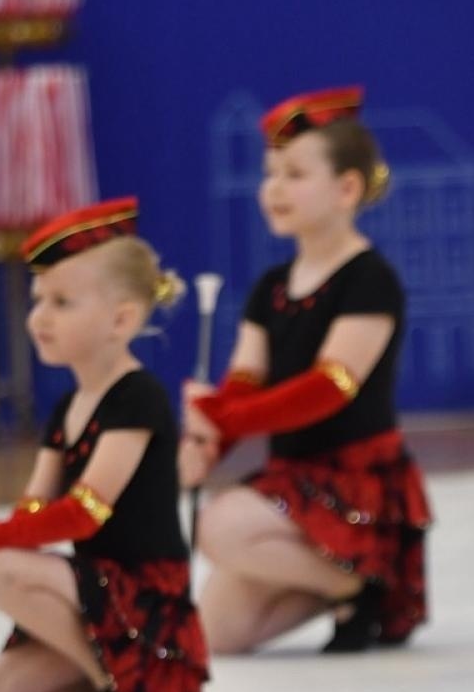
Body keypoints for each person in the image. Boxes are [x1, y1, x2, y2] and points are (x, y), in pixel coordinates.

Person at [0, 197, 209, 692]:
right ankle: (112, 680)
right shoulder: (67, 407)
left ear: (122, 319)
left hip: (143, 598)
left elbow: (81, 517)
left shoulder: (136, 397)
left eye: (61, 302)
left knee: (1, 569)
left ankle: (131, 689)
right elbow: (34, 513)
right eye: (37, 300)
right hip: (93, 600)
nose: (39, 318)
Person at [182, 86, 431, 653]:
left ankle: (368, 577)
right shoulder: (270, 290)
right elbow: (242, 386)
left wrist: (223, 414)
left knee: (219, 527)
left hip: (354, 485)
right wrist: (203, 441)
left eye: (294, 174)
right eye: (270, 174)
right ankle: (343, 589)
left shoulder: (370, 279)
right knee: (214, 636)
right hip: (293, 488)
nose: (273, 188)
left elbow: (329, 388)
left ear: (347, 188)